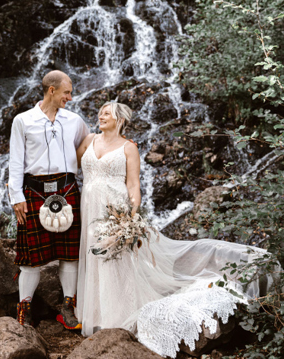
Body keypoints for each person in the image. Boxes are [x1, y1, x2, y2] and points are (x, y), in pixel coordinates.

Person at [75, 102, 272, 356]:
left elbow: (134, 186)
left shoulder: (129, 147)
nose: (101, 115)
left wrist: (129, 219)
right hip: (89, 206)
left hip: (115, 209)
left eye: (107, 112)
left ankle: (117, 318)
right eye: (100, 111)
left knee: (116, 262)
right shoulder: (89, 140)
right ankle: (94, 313)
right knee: (93, 256)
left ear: (120, 119)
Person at [8, 70, 89, 329]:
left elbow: (85, 148)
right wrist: (16, 196)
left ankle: (68, 308)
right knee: (30, 259)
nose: (71, 97)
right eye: (67, 92)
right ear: (51, 90)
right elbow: (16, 160)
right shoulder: (23, 120)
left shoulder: (74, 120)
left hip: (67, 190)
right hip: (33, 193)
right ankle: (25, 311)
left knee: (70, 256)